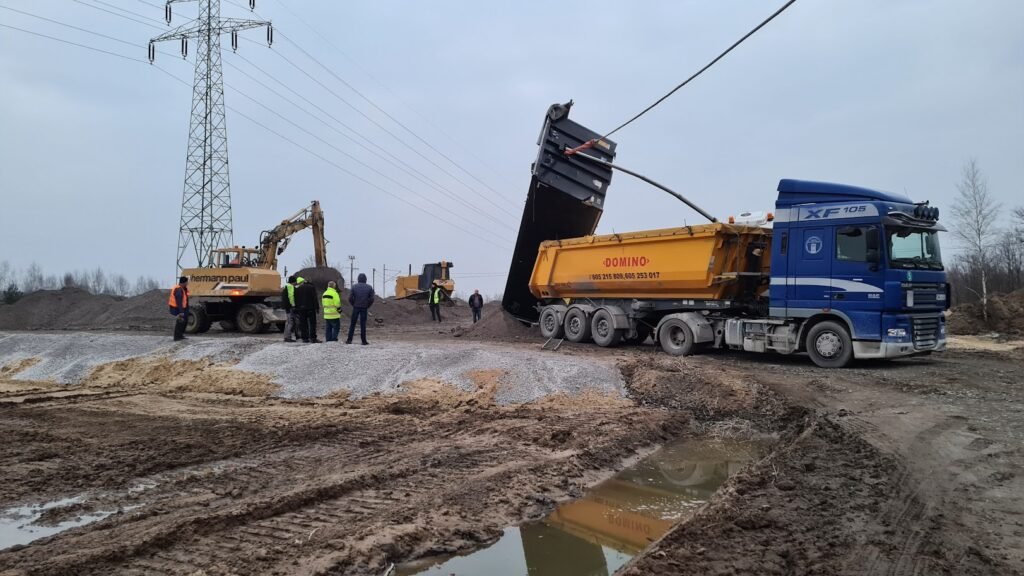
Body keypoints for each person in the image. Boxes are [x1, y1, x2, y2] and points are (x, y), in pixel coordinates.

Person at [346, 272, 374, 345]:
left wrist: (354, 304)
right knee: (363, 324)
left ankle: (349, 340)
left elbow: (350, 298)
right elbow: (372, 299)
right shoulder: (369, 287)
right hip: (364, 307)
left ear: (358, 279)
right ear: (365, 279)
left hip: (356, 307)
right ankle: (363, 341)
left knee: (353, 324)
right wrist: (367, 305)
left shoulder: (354, 287)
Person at [293, 276, 320, 343]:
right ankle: (313, 338)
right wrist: (317, 307)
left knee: (303, 324)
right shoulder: (311, 287)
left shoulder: (297, 289)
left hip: (301, 309)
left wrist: (296, 308)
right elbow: (314, 298)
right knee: (312, 324)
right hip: (311, 308)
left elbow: (296, 300)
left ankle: (305, 338)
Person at [168, 276, 189, 341]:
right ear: (184, 282)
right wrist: (181, 311)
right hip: (177, 308)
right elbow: (179, 301)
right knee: (180, 322)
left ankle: (180, 335)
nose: (187, 283)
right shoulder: (179, 290)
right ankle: (177, 337)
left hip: (182, 308)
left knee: (184, 321)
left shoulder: (183, 288)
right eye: (186, 282)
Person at [281, 275, 299, 342]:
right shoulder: (290, 287)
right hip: (290, 307)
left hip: (287, 307)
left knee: (288, 322)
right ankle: (288, 338)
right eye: (295, 282)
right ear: (293, 282)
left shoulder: (286, 287)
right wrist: (293, 305)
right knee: (290, 322)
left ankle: (286, 337)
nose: (295, 283)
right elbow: (291, 296)